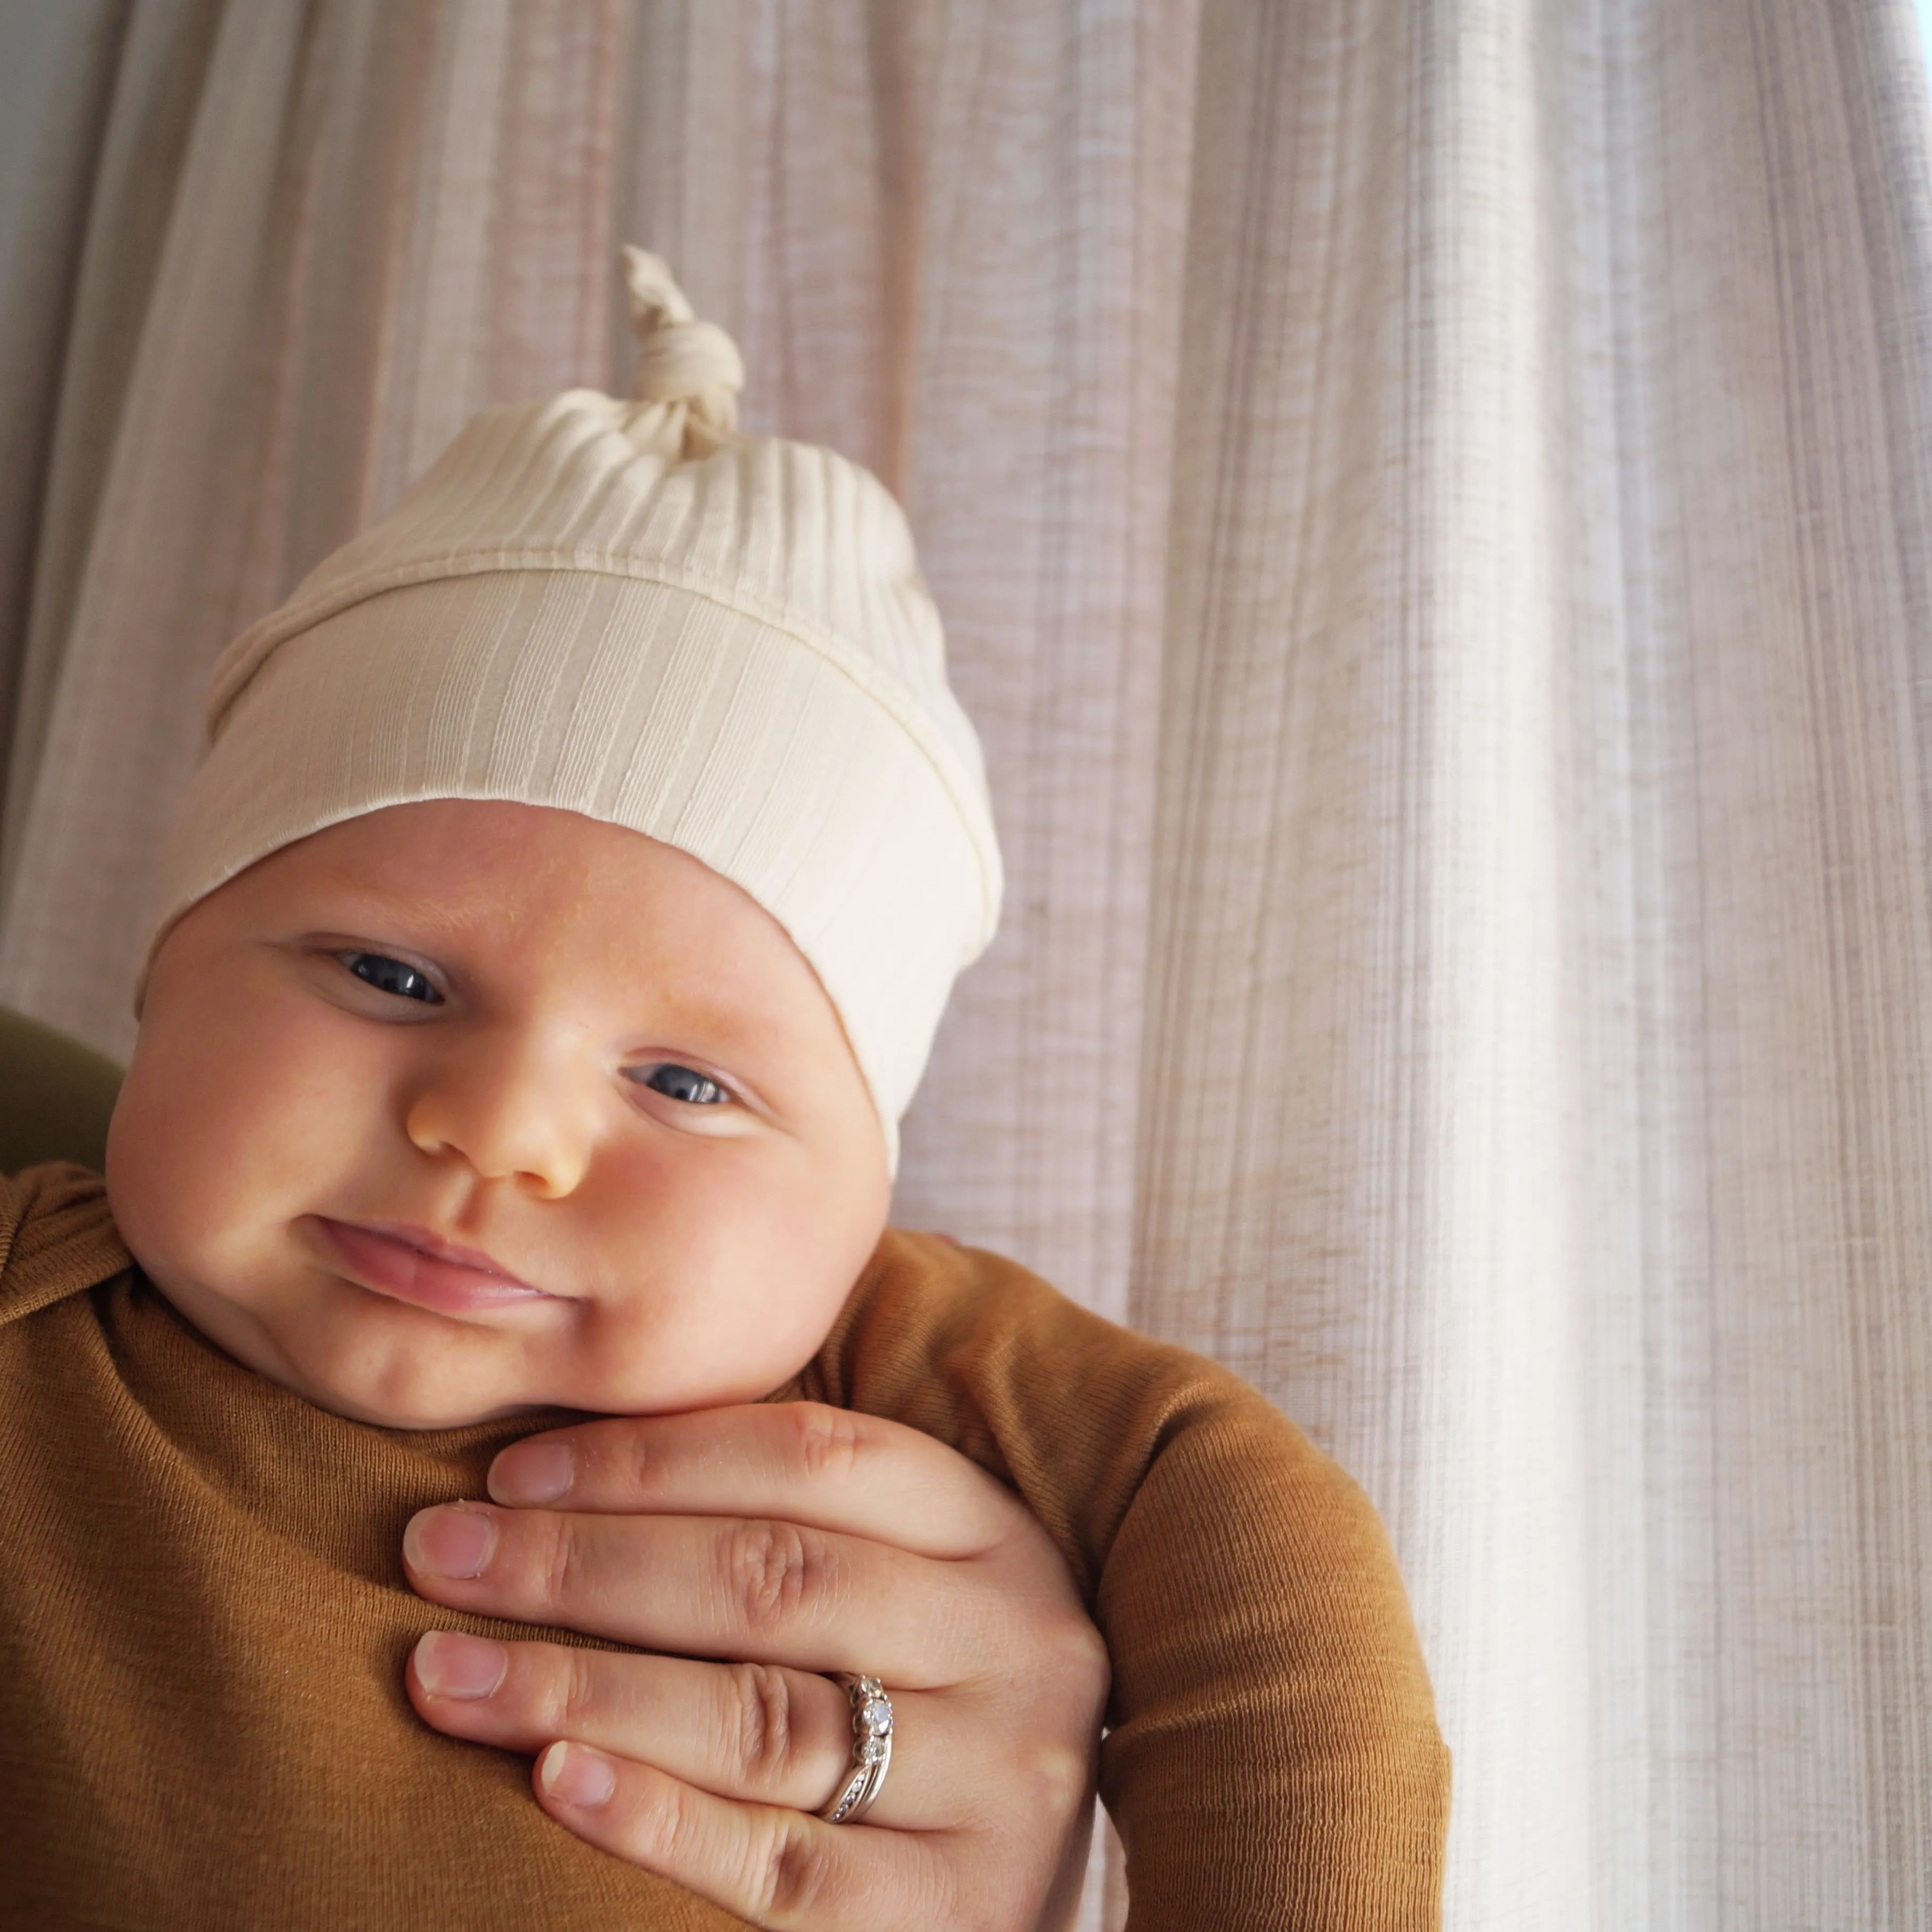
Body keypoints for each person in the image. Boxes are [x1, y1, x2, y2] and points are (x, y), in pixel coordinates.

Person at [0, 252, 1449, 1929]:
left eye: (688, 1080)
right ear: (166, 966)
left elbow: (1270, 1569)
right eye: (391, 977)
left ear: (860, 1190)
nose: (499, 1132)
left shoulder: (890, 1362)